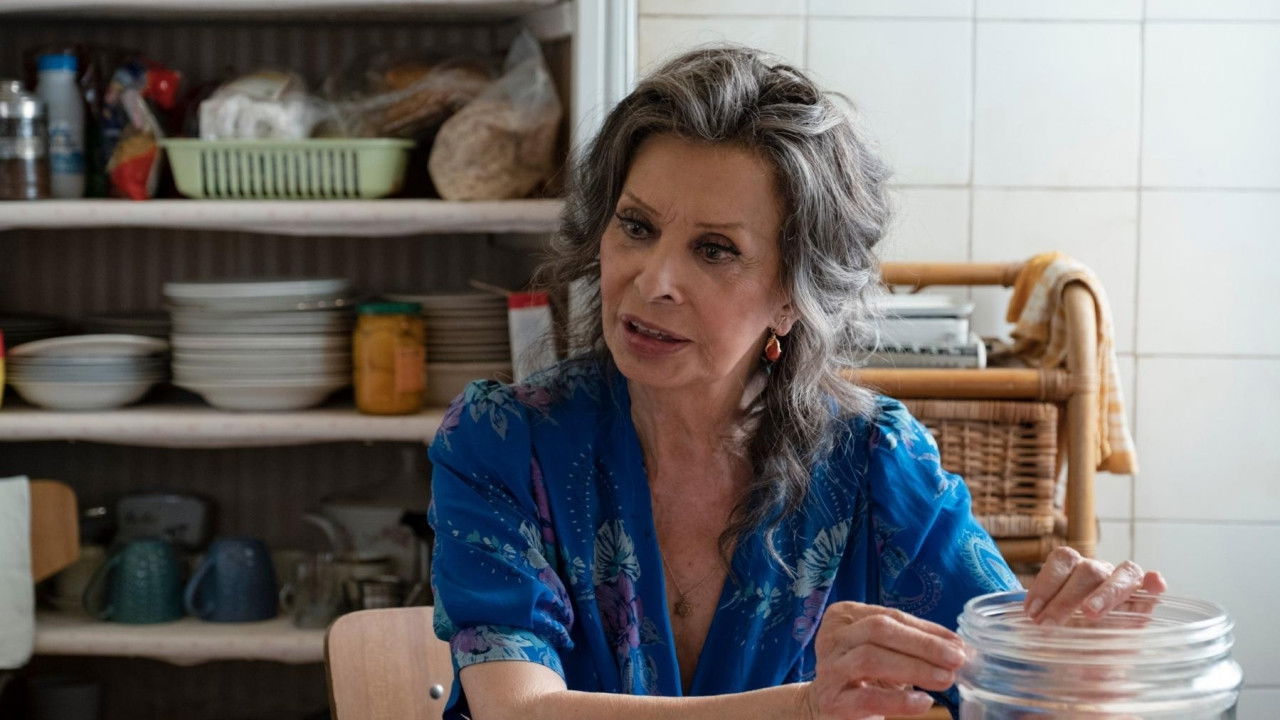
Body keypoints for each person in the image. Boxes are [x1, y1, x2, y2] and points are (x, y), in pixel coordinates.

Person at [427, 46, 1165, 720]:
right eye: (637, 226)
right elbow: (517, 711)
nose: (653, 282)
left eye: (715, 250)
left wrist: (1073, 655)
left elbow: (1005, 682)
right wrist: (806, 708)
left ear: (792, 296)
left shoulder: (874, 461)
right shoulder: (503, 443)